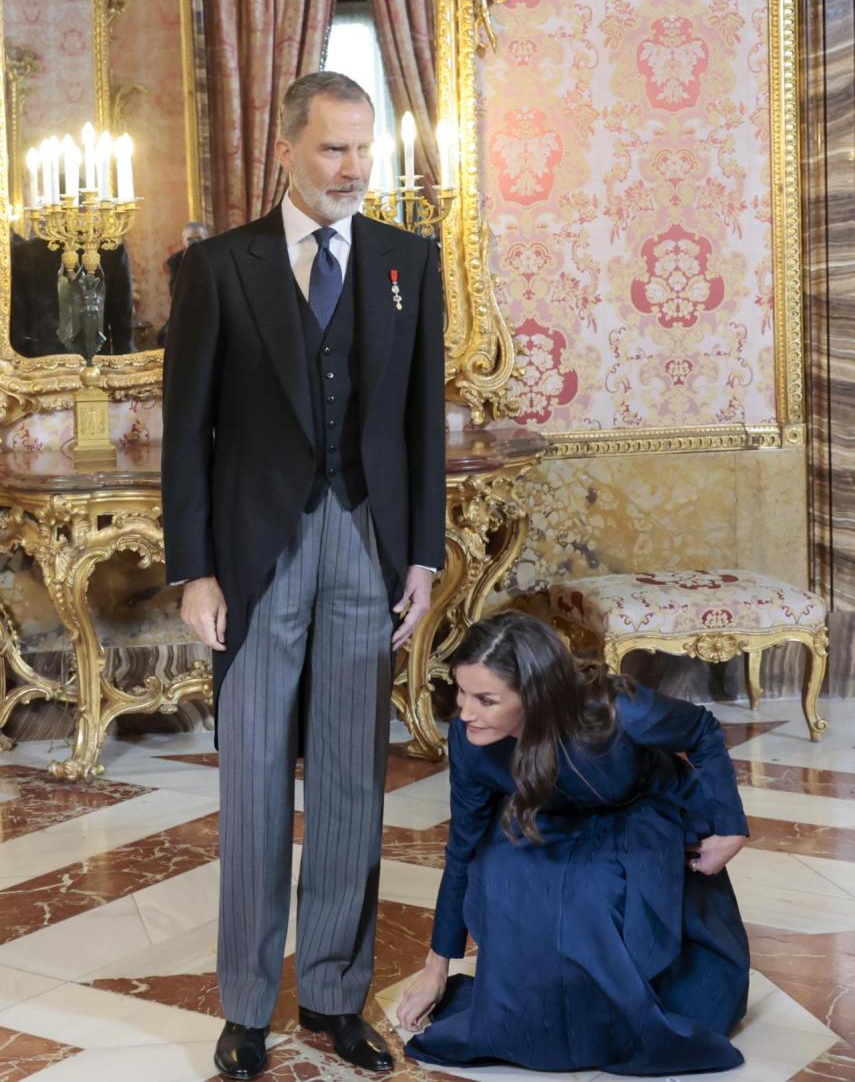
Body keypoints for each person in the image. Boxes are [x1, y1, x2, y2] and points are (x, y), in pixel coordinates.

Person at [162, 71, 446, 1079]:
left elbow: (421, 422)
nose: (354, 169)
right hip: (254, 555)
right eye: (333, 148)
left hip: (367, 545)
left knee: (349, 786)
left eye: (364, 148)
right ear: (285, 150)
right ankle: (246, 1008)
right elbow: (186, 433)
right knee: (249, 787)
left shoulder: (408, 260)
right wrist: (192, 568)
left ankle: (331, 995)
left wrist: (423, 553)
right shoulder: (216, 269)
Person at [398, 612, 750, 1076]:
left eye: (486, 699)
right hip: (551, 814)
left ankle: (615, 1010)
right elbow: (462, 847)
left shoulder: (614, 708)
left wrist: (731, 827)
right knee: (500, 871)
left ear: (535, 695)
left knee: (588, 894)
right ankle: (538, 1011)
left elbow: (701, 729)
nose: (465, 713)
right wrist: (435, 966)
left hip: (639, 812)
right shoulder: (470, 740)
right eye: (461, 692)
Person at [157, 222, 211, 347]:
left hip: (210, 309)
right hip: (186, 310)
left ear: (208, 238)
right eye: (190, 239)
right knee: (165, 338)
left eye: (199, 239)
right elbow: (175, 292)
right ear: (183, 241)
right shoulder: (175, 261)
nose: (194, 243)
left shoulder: (216, 257)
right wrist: (188, 263)